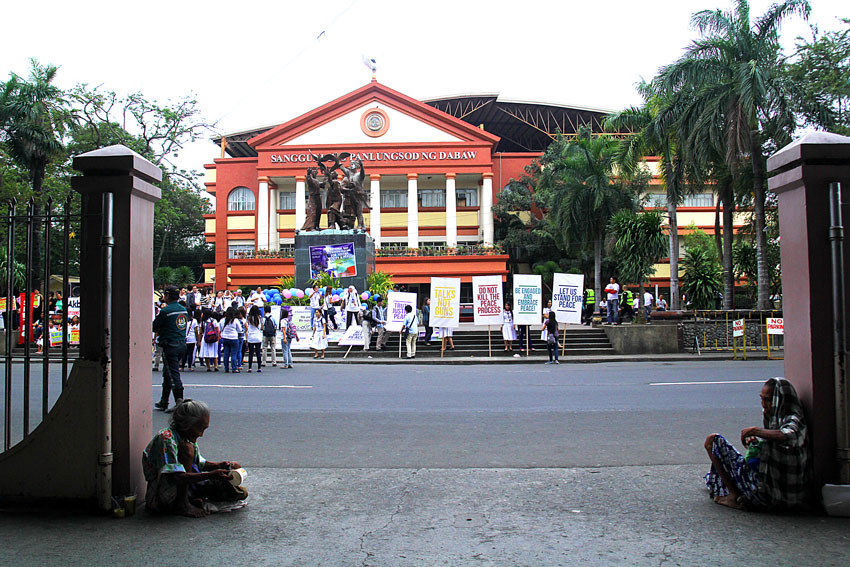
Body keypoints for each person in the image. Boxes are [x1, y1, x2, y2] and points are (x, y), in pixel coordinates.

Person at [704, 377, 810, 511]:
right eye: (762, 399)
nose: (764, 404)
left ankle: (734, 496)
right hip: (768, 487)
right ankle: (738, 494)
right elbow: (774, 446)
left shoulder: (794, 419)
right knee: (720, 472)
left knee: (713, 441)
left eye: (768, 400)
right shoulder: (774, 418)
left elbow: (788, 435)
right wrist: (757, 443)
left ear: (780, 400)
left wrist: (757, 431)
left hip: (773, 496)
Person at [142, 399, 247, 517]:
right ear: (187, 424)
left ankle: (190, 499)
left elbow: (200, 463)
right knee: (188, 451)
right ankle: (182, 505)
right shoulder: (166, 438)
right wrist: (211, 474)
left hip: (183, 488)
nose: (201, 434)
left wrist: (222, 465)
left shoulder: (186, 436)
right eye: (200, 428)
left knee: (238, 489)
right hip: (161, 496)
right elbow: (175, 477)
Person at [152, 286, 189, 412]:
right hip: (182, 344)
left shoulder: (165, 311)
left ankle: (179, 401)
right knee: (167, 373)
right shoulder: (183, 310)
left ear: (167, 296)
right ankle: (164, 400)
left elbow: (155, 326)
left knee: (173, 374)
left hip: (170, 345)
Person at [219, 307, 243, 373]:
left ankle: (226, 368)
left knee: (226, 353)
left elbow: (219, 329)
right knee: (234, 354)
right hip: (234, 338)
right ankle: (234, 368)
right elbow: (240, 330)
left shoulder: (222, 320)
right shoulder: (235, 320)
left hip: (225, 337)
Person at [245, 306, 263, 372]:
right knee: (258, 352)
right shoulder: (259, 317)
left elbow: (247, 326)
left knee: (251, 353)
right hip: (258, 336)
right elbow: (261, 327)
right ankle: (259, 367)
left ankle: (250, 368)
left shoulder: (249, 318)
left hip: (251, 336)